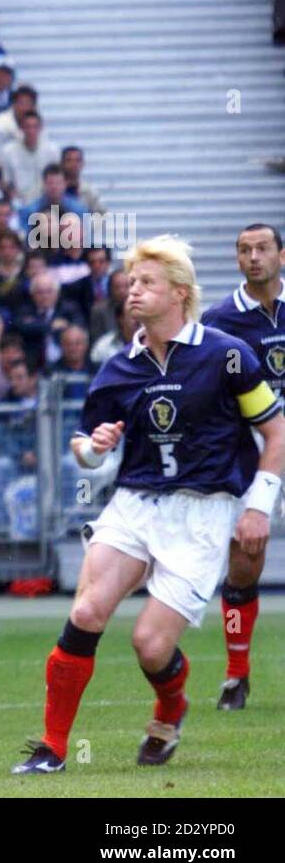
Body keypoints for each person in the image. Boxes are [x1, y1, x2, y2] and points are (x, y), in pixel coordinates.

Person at [13, 236, 285, 775]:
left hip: (203, 515)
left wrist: (259, 506)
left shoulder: (229, 356)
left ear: (179, 293)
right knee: (87, 611)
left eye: (145, 283)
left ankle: (170, 707)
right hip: (134, 505)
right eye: (130, 282)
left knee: (149, 646)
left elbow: (275, 432)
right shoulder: (118, 367)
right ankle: (52, 748)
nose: (132, 291)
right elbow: (81, 445)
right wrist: (94, 450)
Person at [198, 223, 285, 710]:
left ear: (282, 255)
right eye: (244, 250)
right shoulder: (220, 321)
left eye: (262, 248)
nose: (253, 257)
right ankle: (237, 673)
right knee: (245, 563)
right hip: (258, 452)